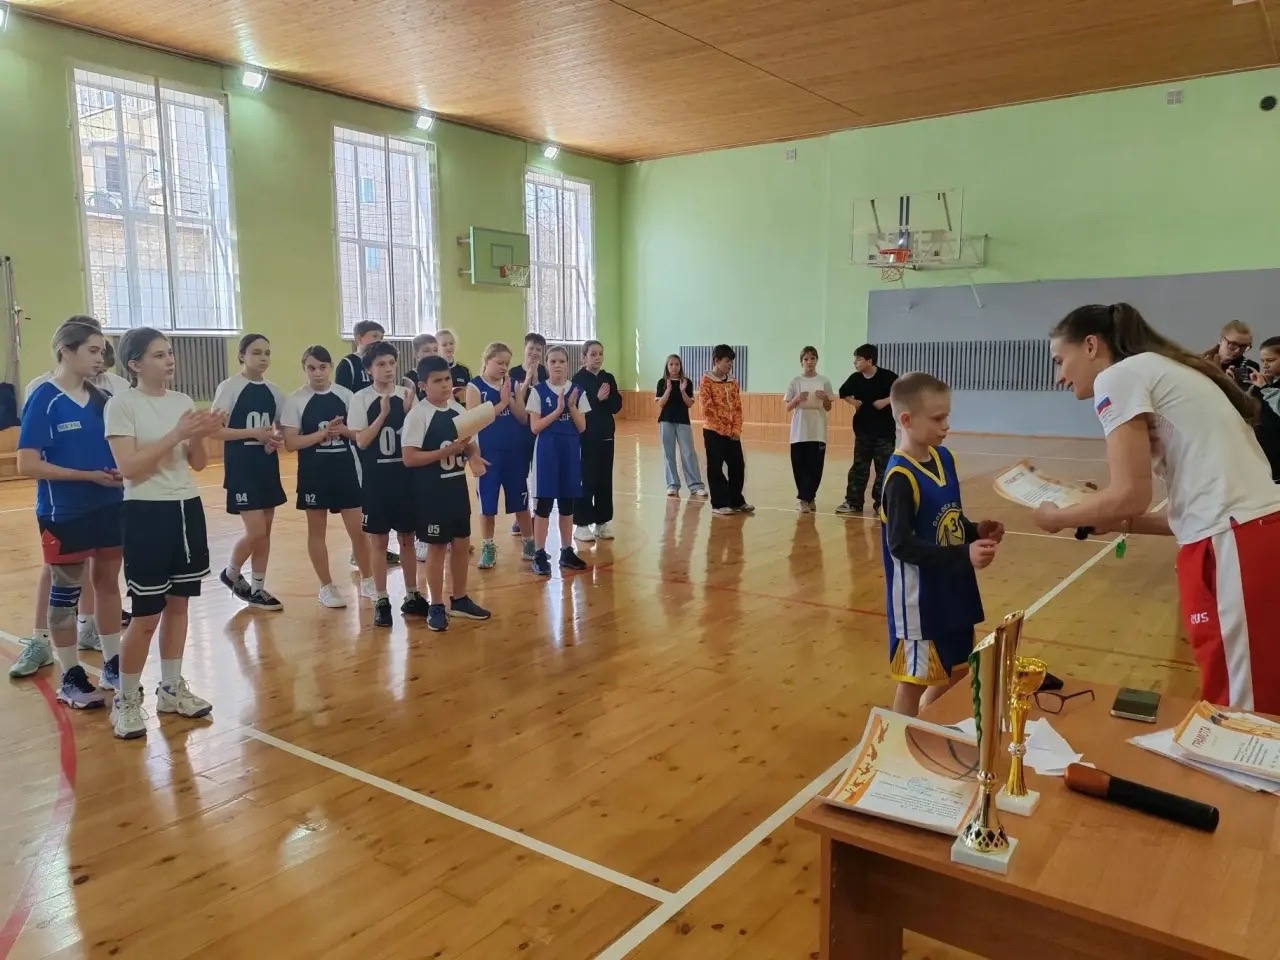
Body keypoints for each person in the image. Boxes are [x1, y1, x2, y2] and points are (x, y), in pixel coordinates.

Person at [1033, 303, 1280, 713]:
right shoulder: (1165, 369)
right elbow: (1196, 511)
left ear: (1091, 346)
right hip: (1250, 536)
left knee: (1240, 712)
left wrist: (1056, 516)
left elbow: (1129, 494)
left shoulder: (1118, 376)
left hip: (1237, 546)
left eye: (1060, 360)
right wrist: (1115, 520)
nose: (1059, 375)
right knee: (1255, 699)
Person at [105, 327, 223, 739]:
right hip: (145, 512)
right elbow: (130, 468)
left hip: (186, 508)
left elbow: (198, 464)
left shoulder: (182, 401)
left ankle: (171, 688)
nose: (169, 359)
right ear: (135, 364)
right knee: (146, 615)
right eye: (158, 354)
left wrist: (201, 434)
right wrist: (177, 433)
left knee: (179, 606)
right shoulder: (122, 405)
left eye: (169, 352)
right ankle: (126, 698)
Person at [14, 319, 125, 707]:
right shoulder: (44, 398)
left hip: (110, 505)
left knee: (108, 583)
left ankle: (113, 663)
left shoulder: (103, 399)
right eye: (93, 350)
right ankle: (71, 676)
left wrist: (118, 471)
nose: (100, 358)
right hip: (63, 511)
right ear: (66, 350)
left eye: (102, 351)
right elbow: (26, 464)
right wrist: (87, 476)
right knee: (65, 593)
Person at [880, 372, 1002, 717]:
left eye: (947, 415)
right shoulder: (900, 477)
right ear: (907, 420)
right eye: (937, 418)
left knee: (956, 670)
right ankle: (899, 740)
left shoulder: (945, 458)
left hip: (954, 590)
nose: (946, 425)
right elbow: (900, 545)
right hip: (920, 603)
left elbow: (949, 519)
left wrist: (975, 530)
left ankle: (926, 725)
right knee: (914, 681)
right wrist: (964, 553)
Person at [402, 356, 491, 631]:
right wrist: (446, 452)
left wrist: (473, 456)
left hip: (456, 488)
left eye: (447, 379)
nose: (444, 385)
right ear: (422, 385)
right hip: (431, 491)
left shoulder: (457, 410)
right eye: (437, 381)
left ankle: (460, 598)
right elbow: (409, 458)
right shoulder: (418, 415)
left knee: (461, 542)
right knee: (437, 546)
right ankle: (436, 604)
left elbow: (469, 444)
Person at [280, 345, 373, 608]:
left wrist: (343, 431)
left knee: (359, 531)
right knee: (317, 531)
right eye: (311, 368)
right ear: (304, 369)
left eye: (322, 367)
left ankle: (368, 579)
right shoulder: (296, 400)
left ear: (330, 367)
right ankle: (326, 586)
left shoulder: (346, 396)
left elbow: (360, 434)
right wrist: (322, 434)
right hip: (314, 474)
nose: (317, 373)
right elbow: (291, 443)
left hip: (346, 471)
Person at [346, 341, 429, 627]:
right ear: (369, 369)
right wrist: (382, 414)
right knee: (379, 540)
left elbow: (418, 437)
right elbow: (361, 441)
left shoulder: (407, 395)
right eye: (381, 364)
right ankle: (382, 599)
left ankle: (412, 594)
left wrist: (408, 413)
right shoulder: (361, 399)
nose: (388, 369)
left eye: (391, 363)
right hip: (376, 481)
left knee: (407, 538)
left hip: (404, 479)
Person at [213, 334, 287, 611]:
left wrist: (274, 440)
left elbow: (279, 428)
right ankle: (231, 572)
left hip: (266, 465)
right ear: (242, 355)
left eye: (267, 352)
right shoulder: (230, 387)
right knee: (255, 532)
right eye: (256, 352)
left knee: (265, 531)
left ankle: (257, 588)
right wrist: (253, 433)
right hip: (241, 466)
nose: (263, 358)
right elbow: (215, 430)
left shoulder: (274, 391)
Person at [466, 342, 533, 568]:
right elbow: (474, 420)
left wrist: (511, 399)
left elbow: (523, 417)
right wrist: (501, 403)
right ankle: (488, 547)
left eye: (507, 363)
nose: (504, 367)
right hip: (488, 455)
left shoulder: (512, 384)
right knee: (487, 504)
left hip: (514, 453)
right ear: (487, 361)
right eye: (499, 363)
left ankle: (529, 543)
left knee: (521, 501)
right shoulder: (475, 386)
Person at [528, 345, 590, 575]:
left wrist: (570, 406)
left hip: (570, 451)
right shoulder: (538, 391)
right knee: (544, 505)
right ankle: (539, 553)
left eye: (561, 361)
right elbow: (535, 427)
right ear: (547, 365)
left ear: (568, 365)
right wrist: (557, 410)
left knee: (566, 504)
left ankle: (566, 550)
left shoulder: (578, 391)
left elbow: (582, 427)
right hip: (546, 452)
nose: (557, 365)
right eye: (553, 361)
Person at [837, 344, 898, 516]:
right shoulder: (855, 378)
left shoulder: (888, 377)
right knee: (859, 468)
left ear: (869, 361)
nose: (855, 362)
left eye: (858, 359)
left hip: (884, 432)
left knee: (883, 468)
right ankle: (853, 502)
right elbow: (843, 392)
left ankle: (882, 503)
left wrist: (885, 401)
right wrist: (854, 402)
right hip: (863, 431)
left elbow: (902, 392)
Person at [571, 339, 622, 542]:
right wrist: (597, 398)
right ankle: (582, 524)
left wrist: (608, 399)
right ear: (584, 357)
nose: (598, 357)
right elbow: (577, 408)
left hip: (606, 434)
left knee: (604, 479)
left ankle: (602, 522)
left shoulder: (608, 378)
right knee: (587, 478)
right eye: (593, 354)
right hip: (586, 436)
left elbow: (616, 405)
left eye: (600, 353)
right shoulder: (578, 379)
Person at [699, 344, 753, 516]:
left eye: (731, 361)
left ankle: (736, 500)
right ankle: (719, 504)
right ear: (717, 360)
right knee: (715, 468)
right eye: (727, 361)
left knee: (738, 466)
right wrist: (722, 429)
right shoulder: (706, 381)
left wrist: (736, 429)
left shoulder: (733, 382)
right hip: (713, 431)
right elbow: (707, 409)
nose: (730, 364)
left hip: (732, 433)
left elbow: (737, 407)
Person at [784, 346, 834, 513]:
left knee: (815, 465)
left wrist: (825, 398)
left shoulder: (824, 381)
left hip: (818, 429)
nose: (809, 362)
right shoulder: (795, 381)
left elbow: (828, 407)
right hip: (799, 429)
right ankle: (803, 498)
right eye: (806, 359)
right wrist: (796, 399)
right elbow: (788, 407)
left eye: (812, 358)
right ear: (801, 362)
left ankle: (809, 497)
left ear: (817, 360)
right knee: (800, 464)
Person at [509, 333, 548, 536]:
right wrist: (526, 382)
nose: (534, 352)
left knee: (539, 473)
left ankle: (537, 515)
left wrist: (537, 380)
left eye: (538, 350)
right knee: (521, 473)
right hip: (520, 430)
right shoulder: (514, 372)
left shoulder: (544, 372)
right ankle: (520, 517)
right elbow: (514, 400)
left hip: (539, 429)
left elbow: (546, 398)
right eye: (531, 348)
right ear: (525, 348)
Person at [655, 354, 706, 498]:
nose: (674, 367)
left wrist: (682, 390)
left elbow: (689, 404)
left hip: (683, 421)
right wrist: (668, 390)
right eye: (671, 364)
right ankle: (672, 485)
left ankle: (696, 485)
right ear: (667, 366)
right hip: (666, 421)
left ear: (680, 366)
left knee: (688, 453)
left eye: (676, 364)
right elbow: (661, 403)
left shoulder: (686, 382)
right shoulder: (662, 382)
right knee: (668, 453)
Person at [1247, 337, 1280, 482]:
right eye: (1262, 361)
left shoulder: (1267, 388)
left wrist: (1265, 388)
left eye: (1270, 360)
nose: (1265, 365)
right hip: (1267, 459)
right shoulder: (1266, 384)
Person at [1203, 320, 1258, 390]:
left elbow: (1243, 394)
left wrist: (1229, 383)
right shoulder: (1202, 360)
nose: (1237, 350)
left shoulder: (1249, 367)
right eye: (1233, 344)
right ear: (1221, 340)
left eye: (1243, 346)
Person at [336, 320, 384, 394]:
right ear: (359, 339)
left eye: (381, 338)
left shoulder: (382, 363)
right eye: (374, 336)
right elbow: (342, 395)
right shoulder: (348, 363)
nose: (379, 341)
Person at [435, 328, 472, 403]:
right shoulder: (434, 370)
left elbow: (470, 394)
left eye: (451, 343)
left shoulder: (464, 370)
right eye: (444, 345)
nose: (449, 347)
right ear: (437, 347)